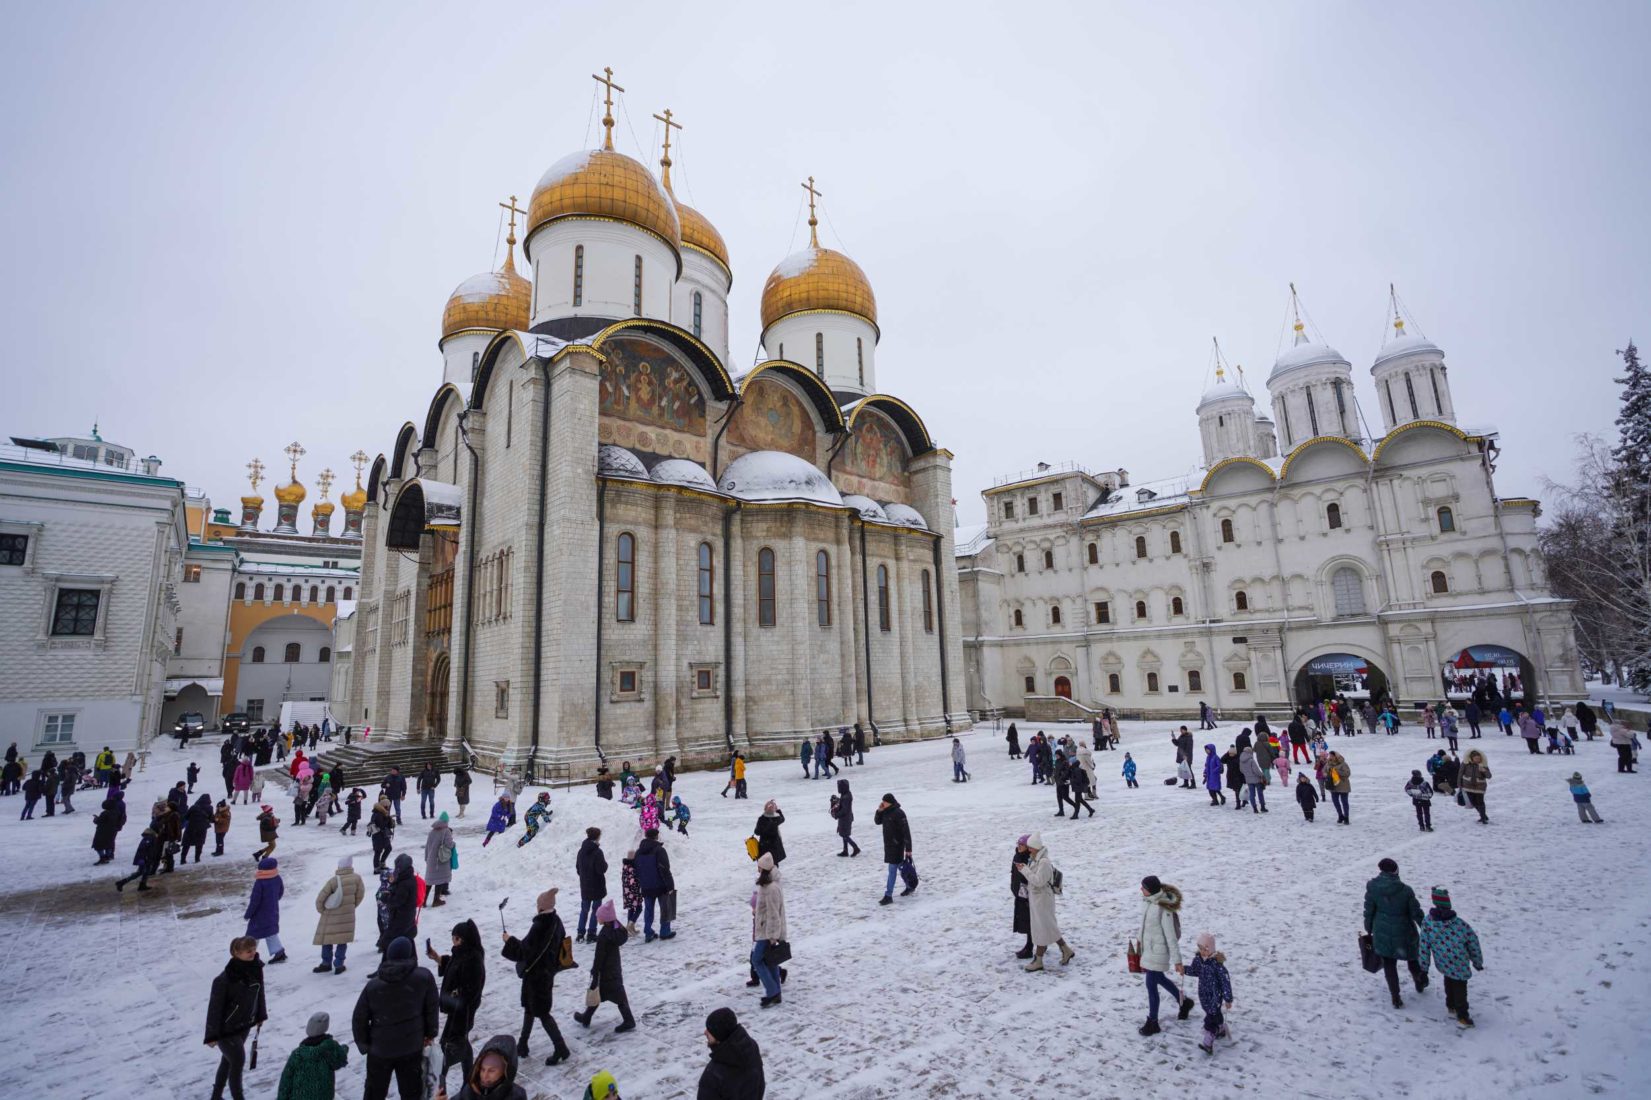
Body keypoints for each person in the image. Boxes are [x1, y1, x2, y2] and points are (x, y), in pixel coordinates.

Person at [352, 936, 440, 1100]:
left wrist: (365, 1044)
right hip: (411, 1046)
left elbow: (359, 1018)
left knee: (374, 1092)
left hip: (380, 1050)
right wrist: (430, 1033)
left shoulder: (374, 986)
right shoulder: (423, 977)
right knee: (411, 1092)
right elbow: (432, 1008)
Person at [501, 889, 571, 1065]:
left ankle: (561, 1048)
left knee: (542, 1012)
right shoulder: (556, 920)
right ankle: (522, 1044)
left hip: (537, 977)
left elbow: (525, 951)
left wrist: (509, 940)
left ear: (541, 907)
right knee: (530, 1008)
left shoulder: (540, 925)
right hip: (547, 973)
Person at [425, 918, 488, 1090]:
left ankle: (439, 1086)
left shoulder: (473, 959)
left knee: (447, 1049)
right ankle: (470, 1080)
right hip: (457, 1010)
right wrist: (437, 958)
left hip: (463, 1012)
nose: (453, 941)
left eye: (456, 938)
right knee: (463, 1044)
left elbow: (471, 989)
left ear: (464, 939)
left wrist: (455, 996)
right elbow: (453, 966)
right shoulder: (462, 953)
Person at [205, 936, 268, 1100]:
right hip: (226, 1030)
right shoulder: (223, 980)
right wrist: (212, 1036)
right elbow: (214, 1009)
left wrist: (260, 1015)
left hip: (244, 1025)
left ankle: (216, 1096)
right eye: (248, 951)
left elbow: (259, 993)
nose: (253, 953)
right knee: (238, 1062)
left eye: (254, 949)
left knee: (228, 1061)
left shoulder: (255, 968)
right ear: (236, 953)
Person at [1364, 857, 1428, 1008]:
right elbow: (1416, 913)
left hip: (1382, 932)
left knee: (1389, 964)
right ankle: (1419, 980)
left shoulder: (1373, 887)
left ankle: (1395, 996)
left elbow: (1369, 910)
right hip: (1404, 932)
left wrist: (1369, 927)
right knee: (1413, 959)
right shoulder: (1405, 890)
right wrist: (1426, 928)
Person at [1418, 886, 1484, 1027]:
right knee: (1460, 988)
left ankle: (1451, 1004)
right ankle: (1462, 1015)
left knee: (1448, 979)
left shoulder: (1428, 922)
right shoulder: (1460, 925)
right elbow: (1473, 944)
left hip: (1442, 961)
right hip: (1459, 962)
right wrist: (1477, 962)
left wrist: (1424, 967)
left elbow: (1424, 945)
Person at [1135, 875, 1193, 1035]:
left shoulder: (1163, 908)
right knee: (1159, 979)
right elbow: (1145, 925)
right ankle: (1184, 1002)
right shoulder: (1147, 902)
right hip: (1149, 949)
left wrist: (1178, 961)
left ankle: (1153, 1021)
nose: (1141, 890)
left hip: (1158, 952)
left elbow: (1171, 936)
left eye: (1143, 888)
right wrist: (1139, 941)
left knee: (1151, 986)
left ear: (1151, 890)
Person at [573, 900, 635, 1032]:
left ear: (605, 919)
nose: (597, 917)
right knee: (603, 993)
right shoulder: (616, 928)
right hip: (614, 968)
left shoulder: (604, 935)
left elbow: (599, 956)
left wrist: (595, 971)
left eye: (599, 916)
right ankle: (587, 1016)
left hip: (606, 971)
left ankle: (629, 1020)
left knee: (605, 993)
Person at [1017, 833, 1074, 971]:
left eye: (1030, 847)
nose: (1029, 850)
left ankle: (1039, 960)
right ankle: (1066, 950)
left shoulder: (1044, 862)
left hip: (1043, 900)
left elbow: (1038, 881)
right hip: (1038, 900)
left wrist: (1024, 870)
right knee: (1048, 927)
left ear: (1036, 847)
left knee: (1042, 929)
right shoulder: (1036, 859)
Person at [276, 1012, 350, 1100]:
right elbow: (339, 1060)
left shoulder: (298, 1054)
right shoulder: (329, 1049)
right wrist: (343, 1049)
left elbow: (286, 1080)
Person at [697, 1007, 765, 1099]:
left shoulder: (713, 1074)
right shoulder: (751, 1047)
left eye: (709, 1030)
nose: (705, 1032)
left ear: (719, 1034)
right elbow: (760, 1085)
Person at [313, 855, 366, 974]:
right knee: (342, 940)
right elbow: (360, 895)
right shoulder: (357, 878)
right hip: (347, 916)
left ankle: (326, 963)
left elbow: (320, 898)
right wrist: (352, 906)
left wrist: (322, 910)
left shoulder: (333, 880)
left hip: (330, 915)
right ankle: (339, 964)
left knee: (327, 940)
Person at [1184, 933, 1234, 1055]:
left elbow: (1225, 982)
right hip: (1203, 995)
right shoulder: (1198, 960)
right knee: (1213, 1013)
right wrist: (1184, 969)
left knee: (1210, 1018)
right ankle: (1221, 1028)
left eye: (1205, 949)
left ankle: (1208, 1042)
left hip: (1215, 996)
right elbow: (1194, 971)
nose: (1202, 952)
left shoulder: (1217, 965)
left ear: (1210, 949)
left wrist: (1228, 999)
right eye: (1200, 948)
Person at [749, 852, 787, 1006]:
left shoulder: (770, 888)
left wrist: (772, 936)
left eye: (759, 867)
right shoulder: (768, 885)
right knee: (770, 962)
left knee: (757, 960)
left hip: (767, 931)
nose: (757, 869)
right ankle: (776, 993)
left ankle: (772, 991)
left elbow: (773, 914)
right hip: (766, 929)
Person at [444, 1034, 526, 1100]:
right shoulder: (471, 1090)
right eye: (482, 1069)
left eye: (492, 1071)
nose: (484, 1076)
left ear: (505, 1071)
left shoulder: (517, 1096)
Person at [635, 826, 676, 941]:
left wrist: (642, 881)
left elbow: (637, 869)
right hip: (660, 885)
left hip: (646, 886)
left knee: (648, 910)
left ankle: (648, 932)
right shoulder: (659, 850)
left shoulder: (639, 851)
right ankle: (665, 931)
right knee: (665, 908)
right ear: (656, 836)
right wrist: (670, 885)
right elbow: (665, 869)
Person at [246, 856, 288, 962]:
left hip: (259, 914)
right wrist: (273, 901)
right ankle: (279, 953)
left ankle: (248, 956)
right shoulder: (277, 878)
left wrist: (248, 914)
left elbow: (254, 901)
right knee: (270, 932)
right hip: (273, 911)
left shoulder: (260, 883)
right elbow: (280, 891)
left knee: (253, 934)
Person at [875, 792, 913, 905]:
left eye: (884, 802)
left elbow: (906, 832)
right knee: (901, 868)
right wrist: (879, 811)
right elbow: (877, 821)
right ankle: (910, 886)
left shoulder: (899, 813)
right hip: (889, 846)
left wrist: (908, 849)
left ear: (889, 802)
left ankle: (888, 895)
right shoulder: (885, 812)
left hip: (897, 846)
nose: (882, 803)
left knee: (892, 870)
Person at [379, 853, 420, 952]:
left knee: (390, 940)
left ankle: (393, 961)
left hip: (401, 916)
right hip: (407, 915)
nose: (396, 868)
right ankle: (408, 958)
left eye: (397, 866)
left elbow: (398, 901)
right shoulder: (408, 877)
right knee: (406, 936)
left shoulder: (404, 882)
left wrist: (385, 897)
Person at [576, 827, 609, 943]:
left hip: (585, 885)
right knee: (595, 910)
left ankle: (580, 933)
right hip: (597, 885)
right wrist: (605, 865)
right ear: (597, 836)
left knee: (584, 910)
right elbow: (601, 869)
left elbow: (578, 868)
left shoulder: (581, 851)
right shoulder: (597, 852)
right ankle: (591, 933)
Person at [115, 826, 161, 892]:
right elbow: (144, 849)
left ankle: (142, 885)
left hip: (147, 858)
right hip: (144, 858)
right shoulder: (150, 838)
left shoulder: (151, 837)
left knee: (146, 871)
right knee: (140, 872)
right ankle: (121, 882)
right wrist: (144, 858)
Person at [1010, 835, 1034, 959]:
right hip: (1019, 894)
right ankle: (1033, 945)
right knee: (1026, 921)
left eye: (1022, 845)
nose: (1019, 847)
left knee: (1031, 922)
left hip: (1029, 896)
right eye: (1018, 844)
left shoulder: (1030, 859)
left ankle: (1030, 947)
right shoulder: (1017, 856)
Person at [425, 813, 456, 907]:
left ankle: (423, 900)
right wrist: (454, 843)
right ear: (446, 821)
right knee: (440, 879)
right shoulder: (446, 831)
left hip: (431, 859)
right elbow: (449, 845)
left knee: (430, 880)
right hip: (441, 860)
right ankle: (436, 900)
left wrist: (426, 857)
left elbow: (427, 846)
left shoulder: (432, 831)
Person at [1459, 749, 1492, 824]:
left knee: (1480, 802)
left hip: (1480, 787)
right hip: (1468, 786)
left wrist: (1484, 770)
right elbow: (1460, 774)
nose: (1478, 760)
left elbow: (1489, 776)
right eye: (1476, 758)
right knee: (1473, 802)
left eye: (1479, 758)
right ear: (1472, 758)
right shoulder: (1465, 763)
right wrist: (1459, 785)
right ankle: (1483, 815)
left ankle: (1483, 818)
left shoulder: (1483, 764)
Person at [183, 793, 214, 863]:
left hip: (191, 827)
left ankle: (183, 859)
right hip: (202, 828)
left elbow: (186, 817)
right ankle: (197, 858)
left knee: (186, 844)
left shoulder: (194, 807)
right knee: (199, 843)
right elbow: (211, 818)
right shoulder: (210, 807)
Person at [834, 779, 860, 857]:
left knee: (845, 835)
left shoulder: (846, 797)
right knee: (843, 834)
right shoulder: (846, 794)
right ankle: (845, 850)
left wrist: (837, 814)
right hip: (846, 818)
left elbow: (844, 810)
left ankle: (855, 848)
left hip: (845, 818)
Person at [754, 800, 786, 864]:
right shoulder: (776, 819)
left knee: (764, 865)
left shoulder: (761, 819)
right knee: (774, 865)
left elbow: (757, 832)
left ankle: (765, 874)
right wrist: (777, 810)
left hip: (764, 846)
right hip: (774, 846)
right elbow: (782, 819)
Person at [1325, 751, 1352, 824]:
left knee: (1344, 802)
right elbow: (1323, 771)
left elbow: (1347, 773)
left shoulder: (1343, 764)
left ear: (1336, 756)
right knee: (1335, 802)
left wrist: (1337, 772)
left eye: (1332, 756)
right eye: (1329, 756)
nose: (1330, 757)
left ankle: (1346, 817)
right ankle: (1340, 815)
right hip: (1333, 786)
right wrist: (1327, 775)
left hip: (1343, 786)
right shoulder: (1328, 763)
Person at [1238, 745, 1267, 814]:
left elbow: (1241, 770)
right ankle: (1262, 807)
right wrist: (1262, 775)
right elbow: (1256, 770)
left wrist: (1247, 774)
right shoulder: (1251, 760)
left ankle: (1255, 808)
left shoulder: (1241, 761)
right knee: (1260, 793)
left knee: (1252, 794)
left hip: (1248, 779)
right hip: (1256, 779)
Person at [370, 797, 396, 871]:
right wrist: (388, 818)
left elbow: (386, 825)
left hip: (383, 835)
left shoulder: (383, 813)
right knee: (378, 851)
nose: (389, 807)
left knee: (388, 848)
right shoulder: (378, 814)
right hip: (378, 836)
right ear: (385, 806)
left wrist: (390, 820)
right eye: (388, 805)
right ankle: (376, 868)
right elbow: (381, 825)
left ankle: (382, 863)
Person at [621, 850, 642, 935]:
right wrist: (637, 893)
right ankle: (630, 924)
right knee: (639, 908)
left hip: (627, 893)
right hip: (634, 893)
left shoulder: (625, 867)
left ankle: (630, 929)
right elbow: (633, 883)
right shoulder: (633, 868)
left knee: (631, 909)